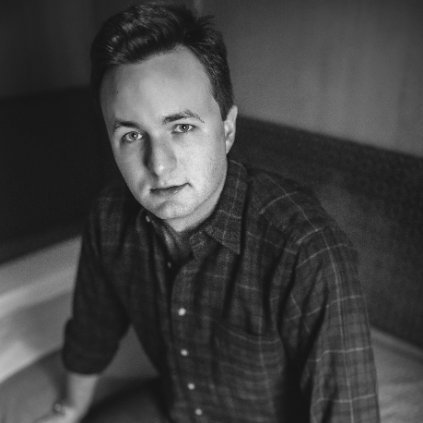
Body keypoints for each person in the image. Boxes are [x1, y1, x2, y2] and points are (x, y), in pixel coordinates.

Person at [35, 1, 380, 422]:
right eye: (132, 135)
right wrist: (68, 409)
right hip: (176, 406)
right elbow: (93, 330)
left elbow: (347, 413)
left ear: (227, 129)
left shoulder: (307, 251)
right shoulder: (109, 218)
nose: (159, 165)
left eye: (181, 127)